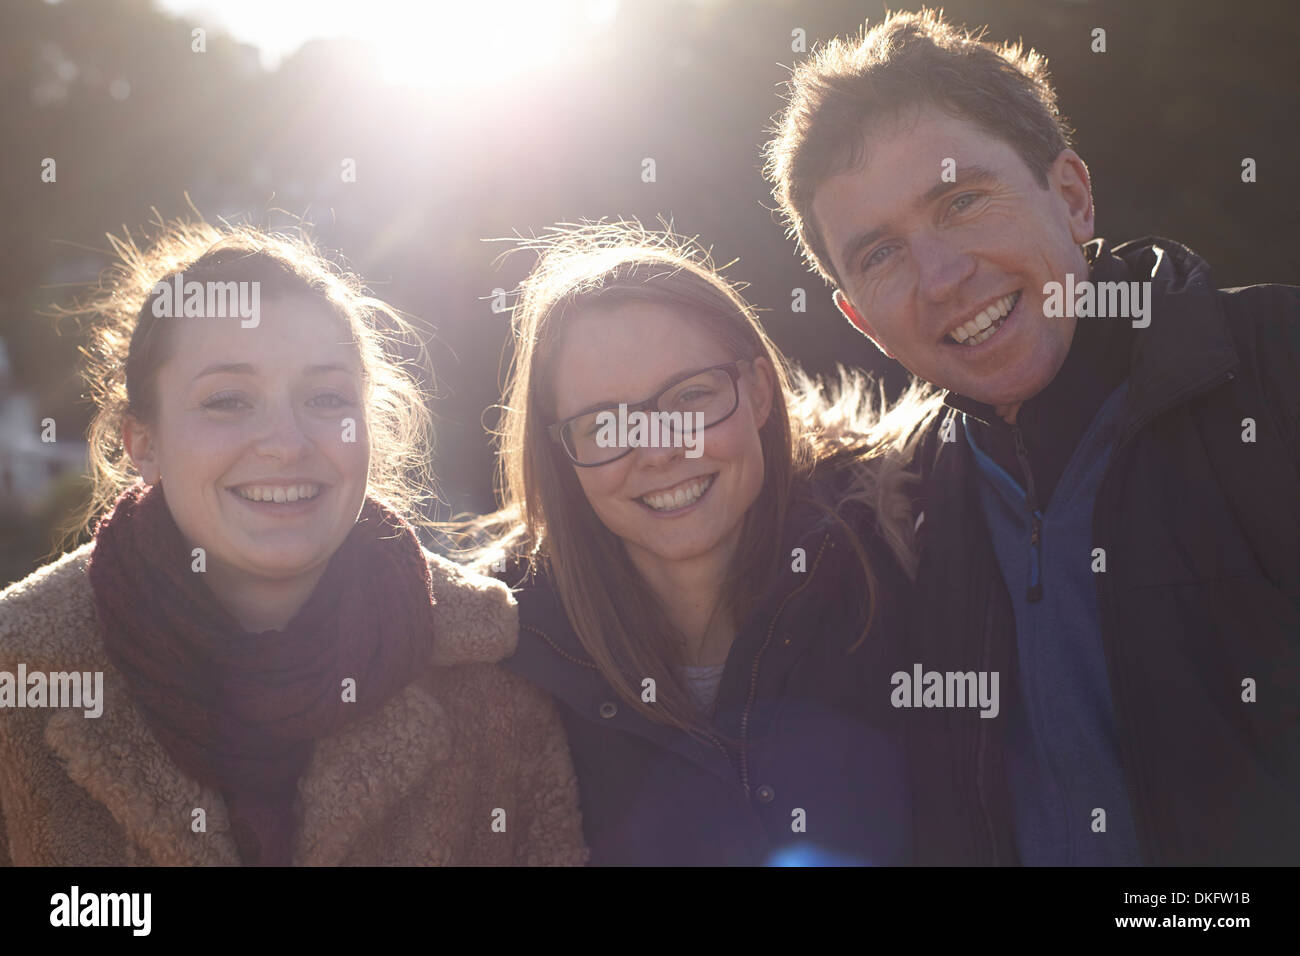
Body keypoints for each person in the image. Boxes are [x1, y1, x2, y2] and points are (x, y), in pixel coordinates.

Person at [764, 8, 1300, 865]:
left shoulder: (1279, 374)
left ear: (1074, 195)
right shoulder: (890, 524)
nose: (942, 278)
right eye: (881, 253)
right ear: (862, 321)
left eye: (963, 201)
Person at [0, 219, 586, 866]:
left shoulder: (493, 673)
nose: (287, 442)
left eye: (326, 396)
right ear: (144, 443)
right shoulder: (21, 673)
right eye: (227, 400)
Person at [461, 222, 938, 865]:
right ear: (561, 452)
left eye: (690, 397)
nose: (660, 449)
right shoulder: (499, 649)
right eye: (607, 423)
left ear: (759, 392)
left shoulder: (910, 549)